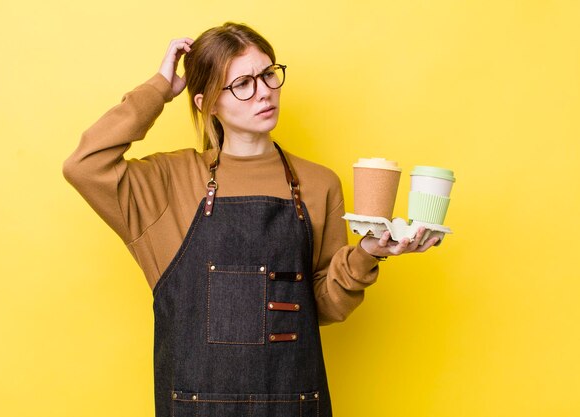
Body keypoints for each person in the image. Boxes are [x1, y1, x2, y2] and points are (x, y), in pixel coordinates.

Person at [63, 22, 437, 417]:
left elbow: (323, 308)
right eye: (242, 83)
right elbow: (84, 165)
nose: (263, 92)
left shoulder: (318, 183)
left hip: (294, 404)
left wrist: (367, 252)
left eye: (268, 74)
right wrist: (159, 88)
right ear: (206, 102)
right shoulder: (168, 183)